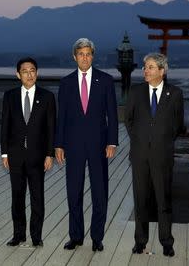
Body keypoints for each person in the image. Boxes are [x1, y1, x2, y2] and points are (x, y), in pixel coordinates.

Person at [54, 38, 118, 252]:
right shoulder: (65, 83)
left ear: (93, 56)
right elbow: (60, 117)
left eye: (88, 53)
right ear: (74, 57)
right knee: (74, 192)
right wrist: (58, 145)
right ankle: (76, 236)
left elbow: (112, 114)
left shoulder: (106, 80)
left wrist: (112, 141)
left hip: (99, 144)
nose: (84, 57)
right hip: (72, 145)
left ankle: (97, 237)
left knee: (100, 192)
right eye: (80, 54)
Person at [125, 53, 184, 257]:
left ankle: (166, 242)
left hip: (162, 156)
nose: (145, 71)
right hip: (139, 155)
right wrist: (143, 141)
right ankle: (140, 241)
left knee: (163, 200)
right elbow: (129, 121)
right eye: (144, 67)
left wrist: (160, 141)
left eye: (150, 67)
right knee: (140, 200)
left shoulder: (175, 94)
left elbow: (177, 126)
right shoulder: (135, 92)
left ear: (162, 70)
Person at [1, 57, 56, 247]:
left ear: (37, 73)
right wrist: (4, 154)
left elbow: (51, 128)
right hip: (15, 156)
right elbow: (5, 126)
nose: (29, 74)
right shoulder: (9, 96)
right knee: (17, 197)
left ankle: (36, 236)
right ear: (18, 75)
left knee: (37, 197)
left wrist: (49, 154)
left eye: (32, 70)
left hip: (38, 156)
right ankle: (18, 235)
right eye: (25, 71)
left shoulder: (47, 97)